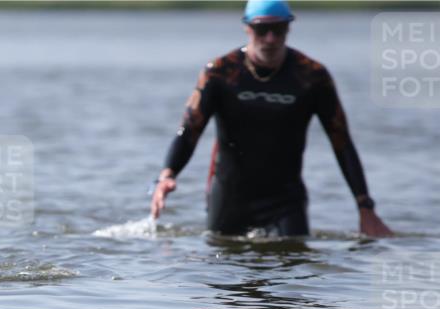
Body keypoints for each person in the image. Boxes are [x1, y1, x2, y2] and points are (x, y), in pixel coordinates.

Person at [149, 0, 392, 238]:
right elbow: (190, 130)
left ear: (289, 28)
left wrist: (365, 206)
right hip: (229, 196)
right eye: (262, 29)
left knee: (293, 259)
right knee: (222, 258)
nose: (270, 39)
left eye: (278, 29)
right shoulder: (220, 73)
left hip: (286, 201)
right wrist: (167, 175)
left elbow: (341, 141)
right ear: (247, 27)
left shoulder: (311, 76)